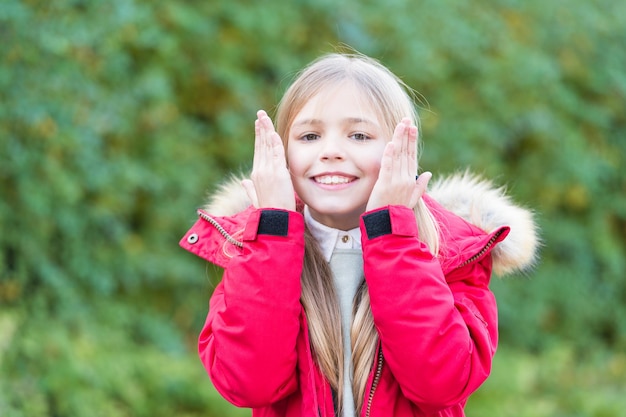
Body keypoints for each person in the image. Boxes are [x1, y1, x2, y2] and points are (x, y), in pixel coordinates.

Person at [179, 52, 539, 417]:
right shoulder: (255, 252)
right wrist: (272, 229)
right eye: (309, 135)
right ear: (282, 155)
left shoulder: (452, 256)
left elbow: (441, 383)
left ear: (403, 153)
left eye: (359, 135)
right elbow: (248, 383)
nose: (331, 152)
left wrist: (391, 235)